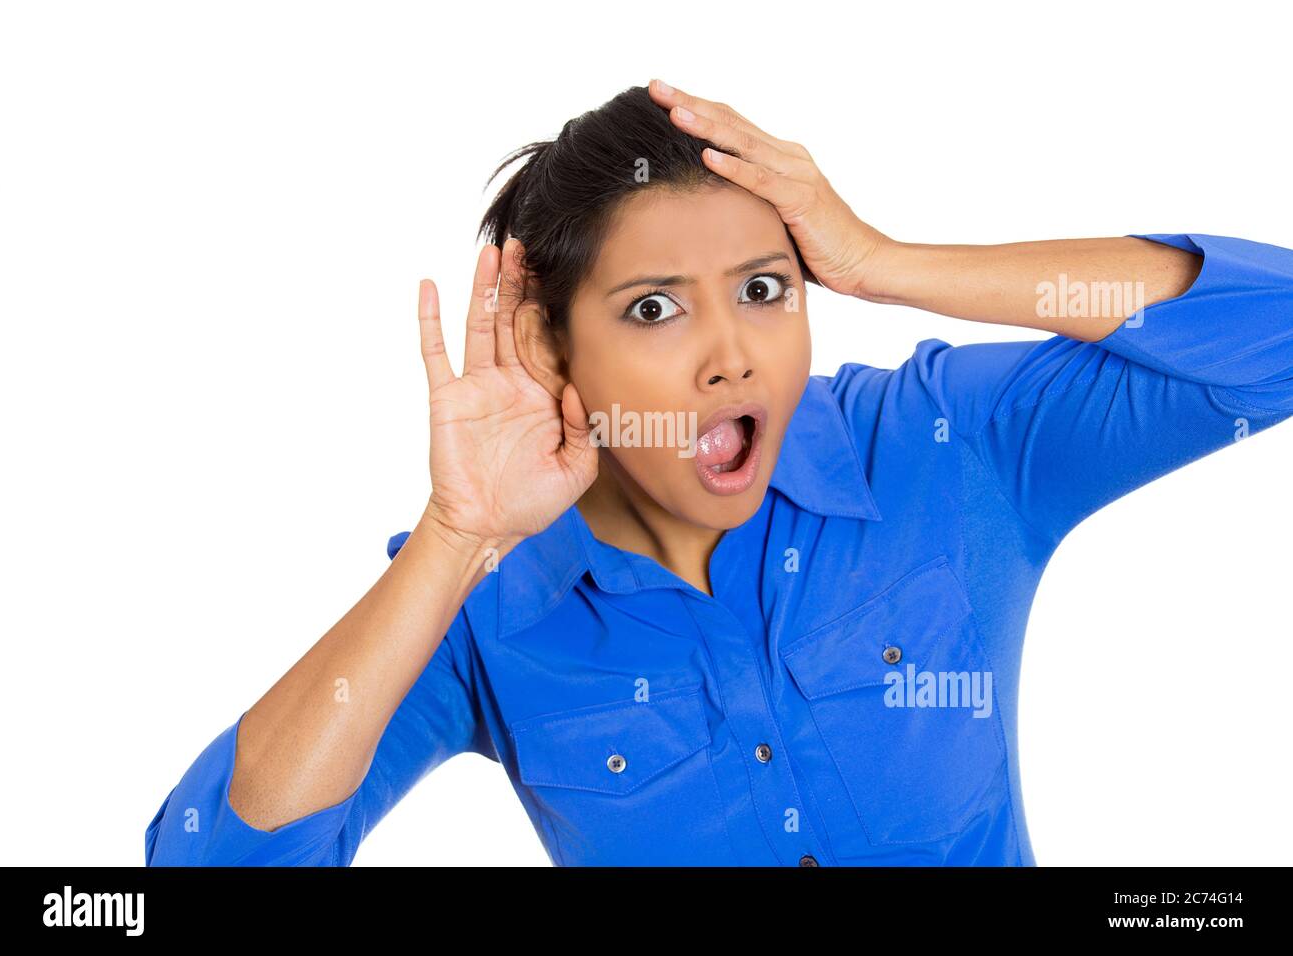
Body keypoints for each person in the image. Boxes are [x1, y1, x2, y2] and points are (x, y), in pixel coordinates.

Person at [145, 81, 1293, 866]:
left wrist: (885, 263)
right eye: (652, 308)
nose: (731, 352)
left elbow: (1277, 332)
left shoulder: (948, 451)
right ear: (551, 348)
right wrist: (452, 537)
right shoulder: (487, 598)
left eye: (763, 288)